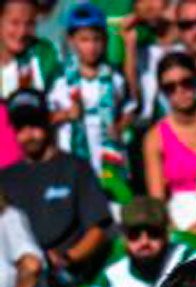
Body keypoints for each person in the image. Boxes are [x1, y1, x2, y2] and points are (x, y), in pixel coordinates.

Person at [0, 87, 113, 286]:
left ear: (49, 121)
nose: (28, 134)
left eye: (34, 124)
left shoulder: (75, 168)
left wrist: (67, 258)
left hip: (68, 274)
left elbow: (98, 229)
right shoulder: (6, 178)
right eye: (20, 127)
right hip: (20, 277)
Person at [140, 53, 196, 232]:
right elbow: (158, 201)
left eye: (186, 83)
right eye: (170, 87)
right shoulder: (155, 137)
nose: (179, 91)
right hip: (177, 220)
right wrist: (176, 232)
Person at [49, 2, 135, 179]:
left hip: (110, 167)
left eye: (97, 39)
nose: (92, 46)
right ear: (71, 41)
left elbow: (129, 108)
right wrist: (65, 115)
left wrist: (120, 127)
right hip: (72, 165)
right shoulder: (60, 79)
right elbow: (44, 118)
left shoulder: (115, 78)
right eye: (84, 40)